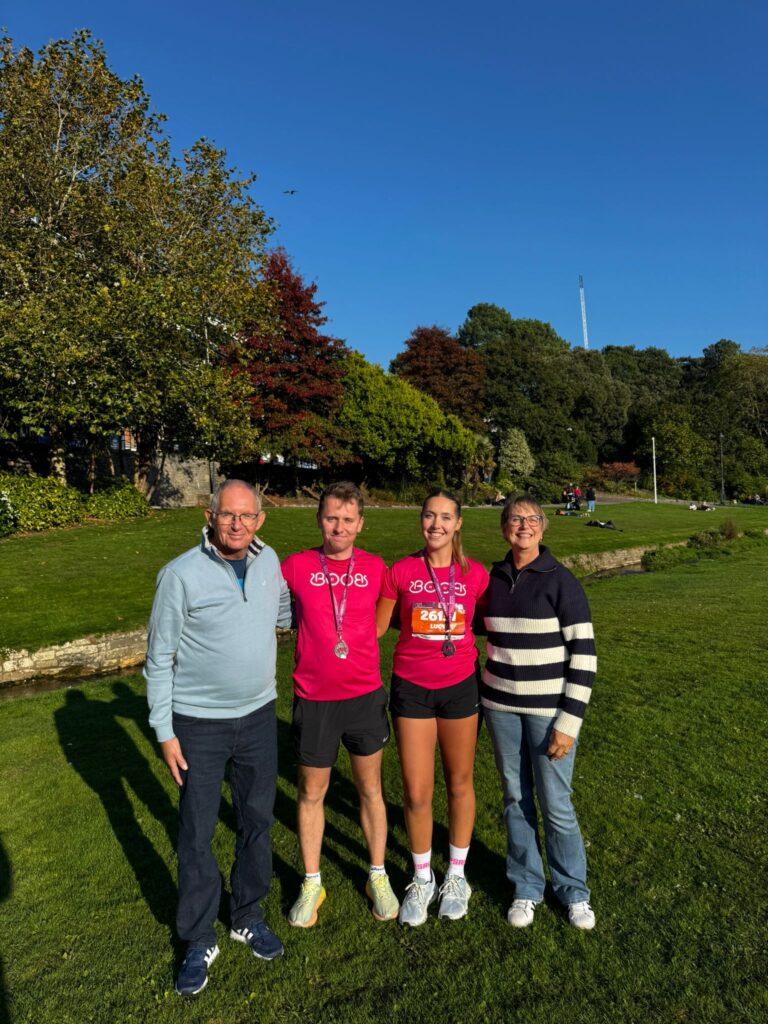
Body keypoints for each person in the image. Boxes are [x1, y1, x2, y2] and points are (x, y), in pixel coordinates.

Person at [145, 480, 291, 998]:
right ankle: (197, 935)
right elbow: (159, 659)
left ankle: (247, 914)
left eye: (246, 516)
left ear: (260, 519)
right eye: (227, 515)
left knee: (257, 821)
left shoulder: (270, 560)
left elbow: (281, 614)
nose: (236, 524)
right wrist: (164, 733)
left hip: (258, 717)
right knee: (196, 832)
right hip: (198, 724)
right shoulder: (180, 575)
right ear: (210, 516)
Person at [281, 482, 398, 927]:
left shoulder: (375, 566)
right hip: (314, 700)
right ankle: (312, 880)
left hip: (364, 696)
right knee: (312, 792)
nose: (339, 527)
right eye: (331, 518)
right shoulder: (295, 566)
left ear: (361, 524)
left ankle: (377, 873)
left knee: (370, 790)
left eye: (348, 520)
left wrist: (355, 641)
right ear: (319, 520)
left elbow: (383, 619)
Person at [480, 495, 597, 931]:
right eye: (514, 519)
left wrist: (568, 723)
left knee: (556, 804)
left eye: (531, 520)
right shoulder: (492, 579)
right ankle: (526, 887)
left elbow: (584, 656)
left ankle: (573, 891)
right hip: (502, 708)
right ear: (504, 528)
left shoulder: (561, 580)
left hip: (549, 713)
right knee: (515, 800)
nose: (523, 526)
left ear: (543, 528)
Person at [377, 490, 489, 926]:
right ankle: (422, 879)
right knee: (417, 791)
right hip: (412, 689)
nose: (436, 525)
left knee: (460, 782)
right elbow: (376, 627)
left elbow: (488, 623)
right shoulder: (401, 571)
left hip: (461, 687)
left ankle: (457, 876)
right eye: (429, 516)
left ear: (459, 523)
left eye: (445, 517)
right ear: (420, 521)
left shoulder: (475, 575)